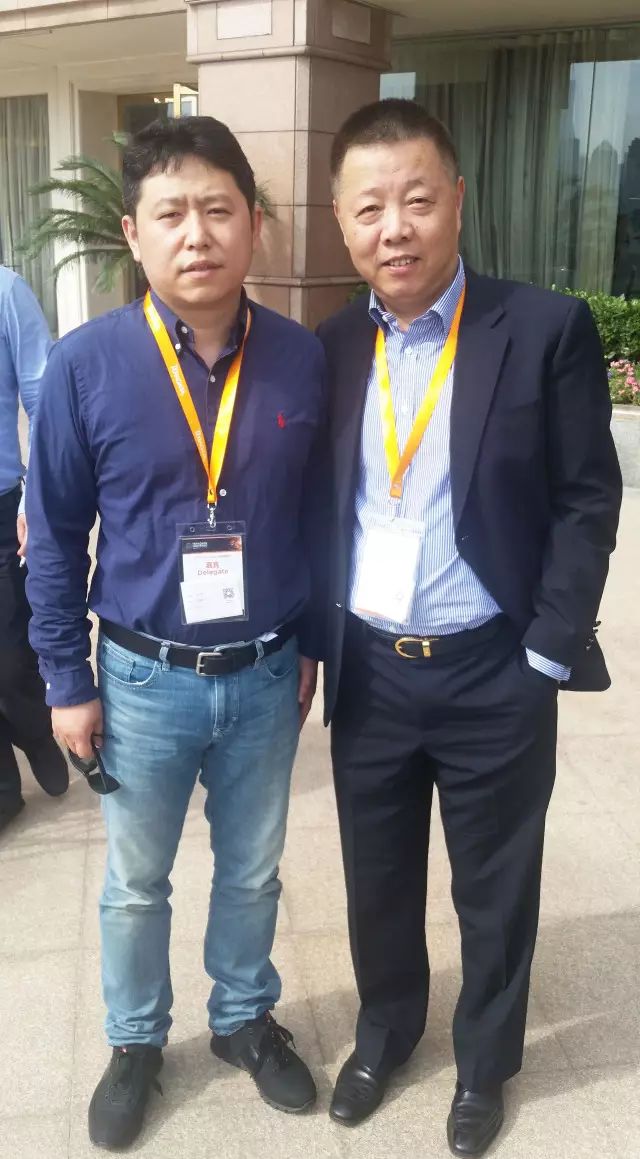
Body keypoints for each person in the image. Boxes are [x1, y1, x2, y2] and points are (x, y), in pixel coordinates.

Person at [316, 99, 622, 1156]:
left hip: (495, 666)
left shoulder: (541, 328)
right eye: (368, 208)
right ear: (342, 223)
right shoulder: (329, 346)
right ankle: (387, 1032)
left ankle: (485, 1065)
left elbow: (587, 496)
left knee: (495, 884)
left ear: (456, 198)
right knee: (377, 878)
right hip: (372, 669)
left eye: (414, 199)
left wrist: (545, 649)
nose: (393, 227)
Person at [25, 116, 325, 1151]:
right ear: (133, 232)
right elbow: (54, 537)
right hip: (142, 677)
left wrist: (312, 643)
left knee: (253, 868)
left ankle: (242, 1018)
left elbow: (316, 517)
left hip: (265, 672)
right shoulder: (85, 366)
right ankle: (136, 1040)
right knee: (135, 880)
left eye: (217, 210)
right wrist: (66, 680)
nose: (196, 234)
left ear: (254, 224)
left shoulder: (300, 359)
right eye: (171, 213)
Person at [0, 265, 69, 834]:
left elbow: (44, 399)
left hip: (2, 506)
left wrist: (33, 499)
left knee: (9, 660)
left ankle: (33, 727)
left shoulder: (5, 291)